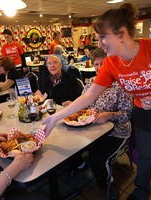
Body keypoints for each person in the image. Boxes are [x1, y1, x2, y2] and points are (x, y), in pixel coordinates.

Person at [43, 3, 151, 200]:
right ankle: (141, 193)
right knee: (145, 156)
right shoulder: (112, 63)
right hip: (144, 111)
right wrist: (56, 118)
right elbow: (89, 96)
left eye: (103, 37)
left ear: (122, 33)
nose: (100, 43)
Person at [63, 48, 133, 199]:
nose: (99, 67)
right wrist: (73, 105)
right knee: (68, 143)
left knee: (97, 160)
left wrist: (110, 115)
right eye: (96, 64)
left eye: (103, 63)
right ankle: (79, 168)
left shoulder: (121, 85)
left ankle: (107, 185)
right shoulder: (90, 83)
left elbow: (128, 114)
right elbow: (83, 104)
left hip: (117, 132)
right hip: (93, 129)